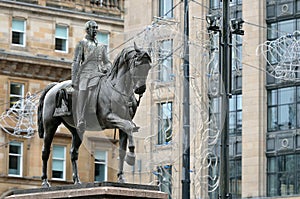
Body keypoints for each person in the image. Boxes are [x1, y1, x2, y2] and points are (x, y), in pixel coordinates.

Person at [72, 20, 111, 132]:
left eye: (96, 28)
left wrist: (107, 67)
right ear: (87, 29)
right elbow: (76, 61)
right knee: (83, 91)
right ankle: (81, 119)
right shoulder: (82, 44)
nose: (95, 30)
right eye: (93, 28)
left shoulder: (101, 46)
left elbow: (107, 61)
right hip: (86, 74)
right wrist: (74, 79)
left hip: (99, 73)